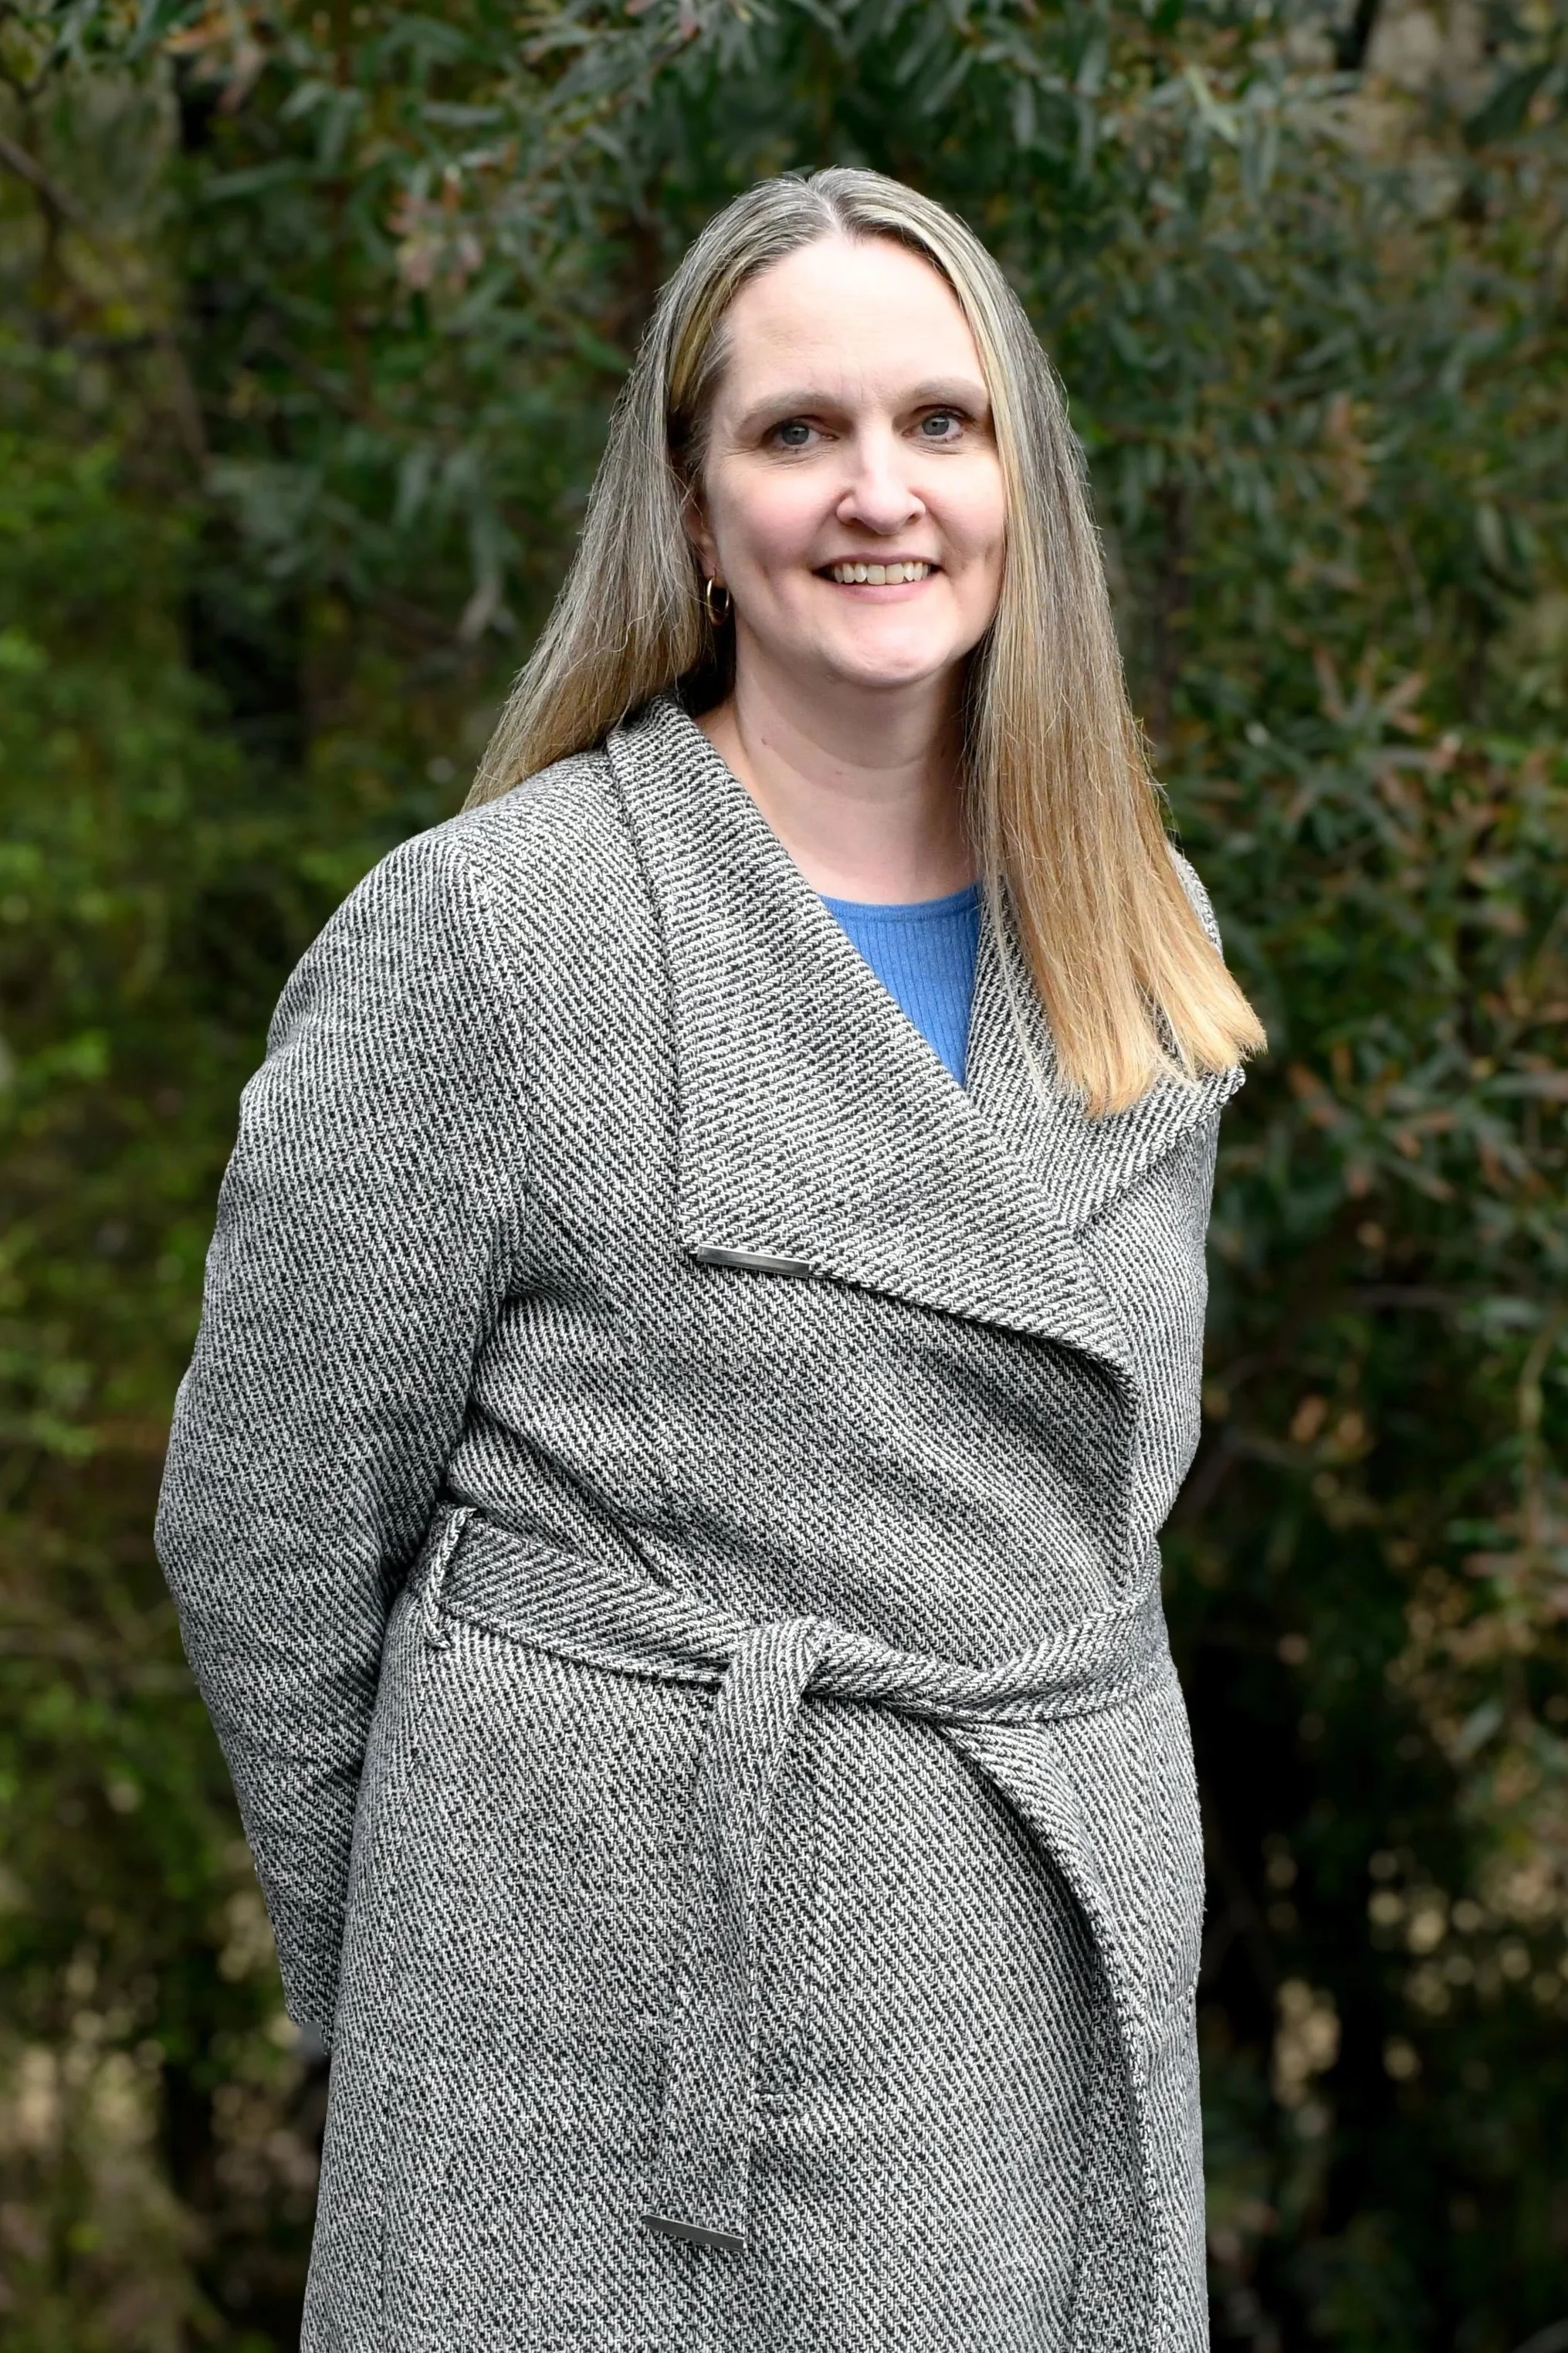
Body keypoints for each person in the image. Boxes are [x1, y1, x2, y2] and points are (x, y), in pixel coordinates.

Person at [156, 165, 1265, 2353]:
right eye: (797, 432)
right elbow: (264, 1527)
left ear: (1019, 486)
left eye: (940, 426)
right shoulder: (498, 931)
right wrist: (448, 1976)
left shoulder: (1143, 924)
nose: (880, 493)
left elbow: (1091, 1511)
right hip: (591, 2081)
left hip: (1030, 1977)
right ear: (688, 503)